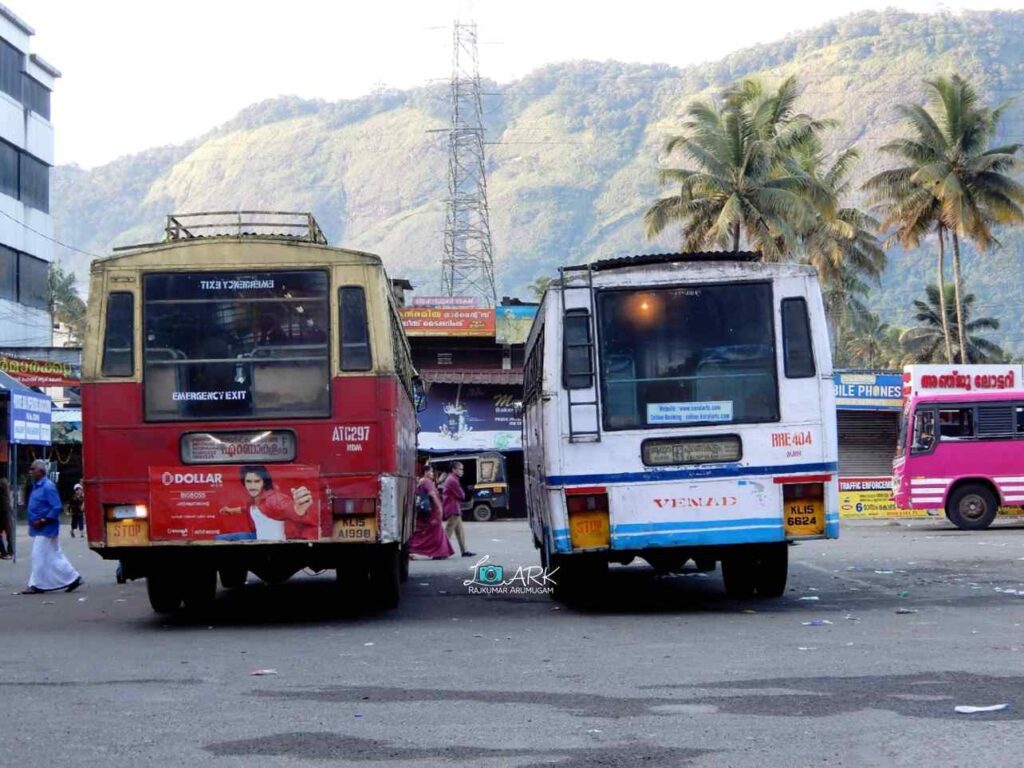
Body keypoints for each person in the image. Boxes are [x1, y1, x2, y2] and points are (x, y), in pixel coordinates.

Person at [24, 459, 82, 594]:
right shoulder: (37, 485)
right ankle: (73, 578)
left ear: (40, 471)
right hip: (39, 528)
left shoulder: (47, 486)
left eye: (33, 469)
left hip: (46, 528)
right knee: (53, 556)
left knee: (38, 555)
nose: (30, 472)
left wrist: (44, 520)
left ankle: (36, 585)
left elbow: (57, 507)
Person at [216, 465, 318, 541]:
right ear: (244, 482)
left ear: (264, 482)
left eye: (257, 481)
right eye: (249, 481)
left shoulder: (273, 500)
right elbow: (247, 508)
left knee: (220, 540)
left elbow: (289, 509)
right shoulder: (254, 500)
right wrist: (231, 510)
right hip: (258, 537)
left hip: (272, 544)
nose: (252, 486)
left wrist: (298, 509)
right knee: (220, 538)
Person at [407, 466, 454, 560]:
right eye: (431, 472)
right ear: (426, 472)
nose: (433, 474)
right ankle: (436, 552)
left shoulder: (421, 481)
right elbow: (432, 494)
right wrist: (439, 508)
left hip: (426, 512)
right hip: (432, 512)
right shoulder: (427, 482)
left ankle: (440, 552)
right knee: (433, 533)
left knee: (433, 531)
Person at [441, 461, 475, 558]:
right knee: (448, 531)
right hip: (453, 508)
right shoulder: (452, 480)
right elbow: (461, 495)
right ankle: (441, 551)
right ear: (453, 470)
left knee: (460, 531)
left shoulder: (452, 478)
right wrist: (463, 494)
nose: (462, 471)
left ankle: (464, 550)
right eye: (460, 469)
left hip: (453, 507)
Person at [0, 478, 13, 560]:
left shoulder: (2, 497)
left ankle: (4, 552)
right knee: (9, 535)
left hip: (3, 517)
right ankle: (9, 552)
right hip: (7, 517)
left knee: (8, 535)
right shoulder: (6, 495)